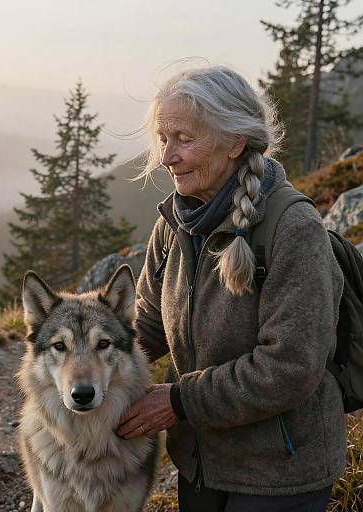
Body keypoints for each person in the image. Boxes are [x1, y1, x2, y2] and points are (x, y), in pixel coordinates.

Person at [116, 66, 346, 512]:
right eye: (163, 139)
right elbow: (144, 324)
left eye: (184, 138)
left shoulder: (293, 228)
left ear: (235, 141)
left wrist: (180, 401)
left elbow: (291, 366)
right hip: (201, 461)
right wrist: (78, 367)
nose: (168, 156)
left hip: (280, 472)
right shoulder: (176, 223)